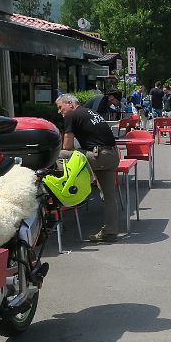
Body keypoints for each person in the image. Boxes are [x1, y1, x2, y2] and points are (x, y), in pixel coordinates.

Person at [55, 93, 120, 242]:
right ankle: (110, 231)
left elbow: (68, 146)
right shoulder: (89, 112)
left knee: (59, 155)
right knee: (109, 196)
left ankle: (66, 192)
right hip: (112, 155)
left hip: (99, 156)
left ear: (70, 103)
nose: (59, 111)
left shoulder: (72, 115)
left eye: (60, 107)